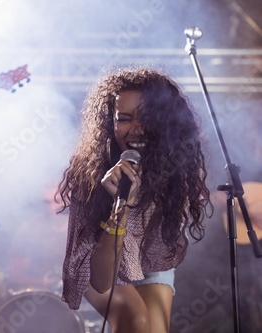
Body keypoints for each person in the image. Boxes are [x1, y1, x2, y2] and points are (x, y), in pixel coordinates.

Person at [57, 67, 212, 333]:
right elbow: (101, 279)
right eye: (124, 119)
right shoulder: (91, 173)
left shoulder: (176, 169)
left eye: (146, 118)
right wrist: (121, 206)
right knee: (136, 319)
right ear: (110, 123)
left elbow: (155, 256)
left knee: (154, 330)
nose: (135, 130)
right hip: (94, 263)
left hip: (149, 264)